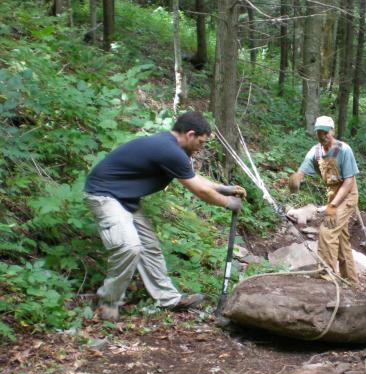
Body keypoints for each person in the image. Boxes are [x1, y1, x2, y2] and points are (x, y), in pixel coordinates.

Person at [84, 112, 246, 321]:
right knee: (129, 247)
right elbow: (200, 191)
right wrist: (228, 203)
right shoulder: (169, 150)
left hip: (125, 198)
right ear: (190, 134)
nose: (201, 147)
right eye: (201, 141)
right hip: (105, 195)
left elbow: (193, 178)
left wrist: (224, 188)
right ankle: (107, 302)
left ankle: (168, 299)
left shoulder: (171, 148)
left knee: (149, 247)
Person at [288, 115, 360, 285]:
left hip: (347, 194)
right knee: (341, 240)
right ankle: (351, 281)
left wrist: (333, 205)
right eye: (319, 132)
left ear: (333, 131)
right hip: (332, 194)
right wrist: (295, 179)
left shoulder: (344, 150)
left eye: (325, 132)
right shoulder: (316, 152)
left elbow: (349, 181)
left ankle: (326, 277)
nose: (322, 136)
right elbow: (302, 170)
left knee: (328, 229)